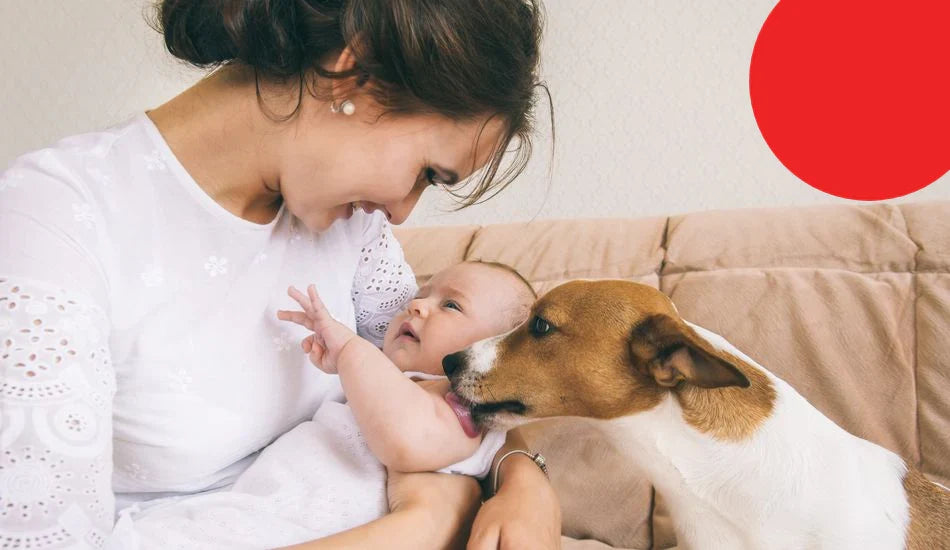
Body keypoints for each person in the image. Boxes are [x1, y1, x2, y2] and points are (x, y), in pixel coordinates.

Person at [0, 1, 560, 548]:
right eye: (427, 173)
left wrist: (524, 480)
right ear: (352, 72)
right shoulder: (53, 221)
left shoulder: (352, 229)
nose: (402, 211)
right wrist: (422, 525)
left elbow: (440, 378)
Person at [122, 261, 537, 548]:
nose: (417, 304)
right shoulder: (392, 379)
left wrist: (351, 353)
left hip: (300, 531)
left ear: (491, 351)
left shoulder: (461, 406)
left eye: (451, 305)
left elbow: (408, 440)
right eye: (424, 293)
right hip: (252, 511)